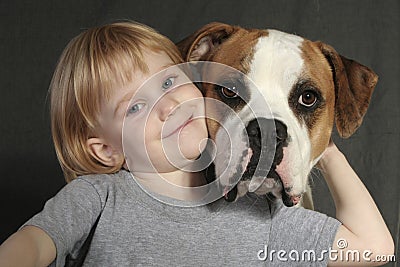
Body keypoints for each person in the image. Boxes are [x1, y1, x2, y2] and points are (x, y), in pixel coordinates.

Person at [0, 21, 394, 266]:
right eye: (232, 92)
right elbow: (34, 245)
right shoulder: (100, 198)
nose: (165, 105)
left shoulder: (269, 220)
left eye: (306, 100)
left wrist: (320, 150)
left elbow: (375, 251)